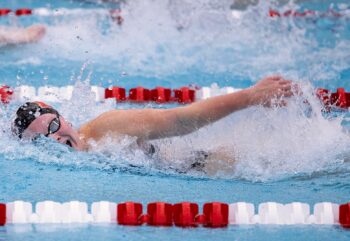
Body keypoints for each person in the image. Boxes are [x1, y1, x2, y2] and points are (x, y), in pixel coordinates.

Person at [12, 76, 294, 156]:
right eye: (44, 138)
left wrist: (249, 97)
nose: (57, 137)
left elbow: (182, 121)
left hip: (202, 164)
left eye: (53, 125)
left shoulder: (107, 129)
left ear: (64, 118)